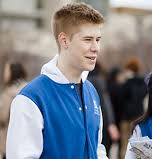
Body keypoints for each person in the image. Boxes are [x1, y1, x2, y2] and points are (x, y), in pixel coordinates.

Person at [6, 3, 107, 159]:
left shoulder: (91, 91)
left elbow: (97, 147)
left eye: (98, 39)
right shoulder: (31, 98)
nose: (96, 48)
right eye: (88, 39)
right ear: (64, 41)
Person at [87, 62, 120, 156]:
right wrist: (111, 123)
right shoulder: (98, 81)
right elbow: (105, 103)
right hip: (103, 121)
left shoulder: (84, 81)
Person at [119, 57, 148, 159]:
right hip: (139, 115)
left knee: (125, 144)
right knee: (138, 143)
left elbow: (122, 96)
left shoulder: (127, 83)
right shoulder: (143, 83)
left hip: (126, 117)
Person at [0, 61, 27, 159]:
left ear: (13, 72)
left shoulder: (9, 93)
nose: (5, 74)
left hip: (9, 141)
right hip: (26, 141)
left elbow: (2, 117)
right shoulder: (29, 88)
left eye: (7, 71)